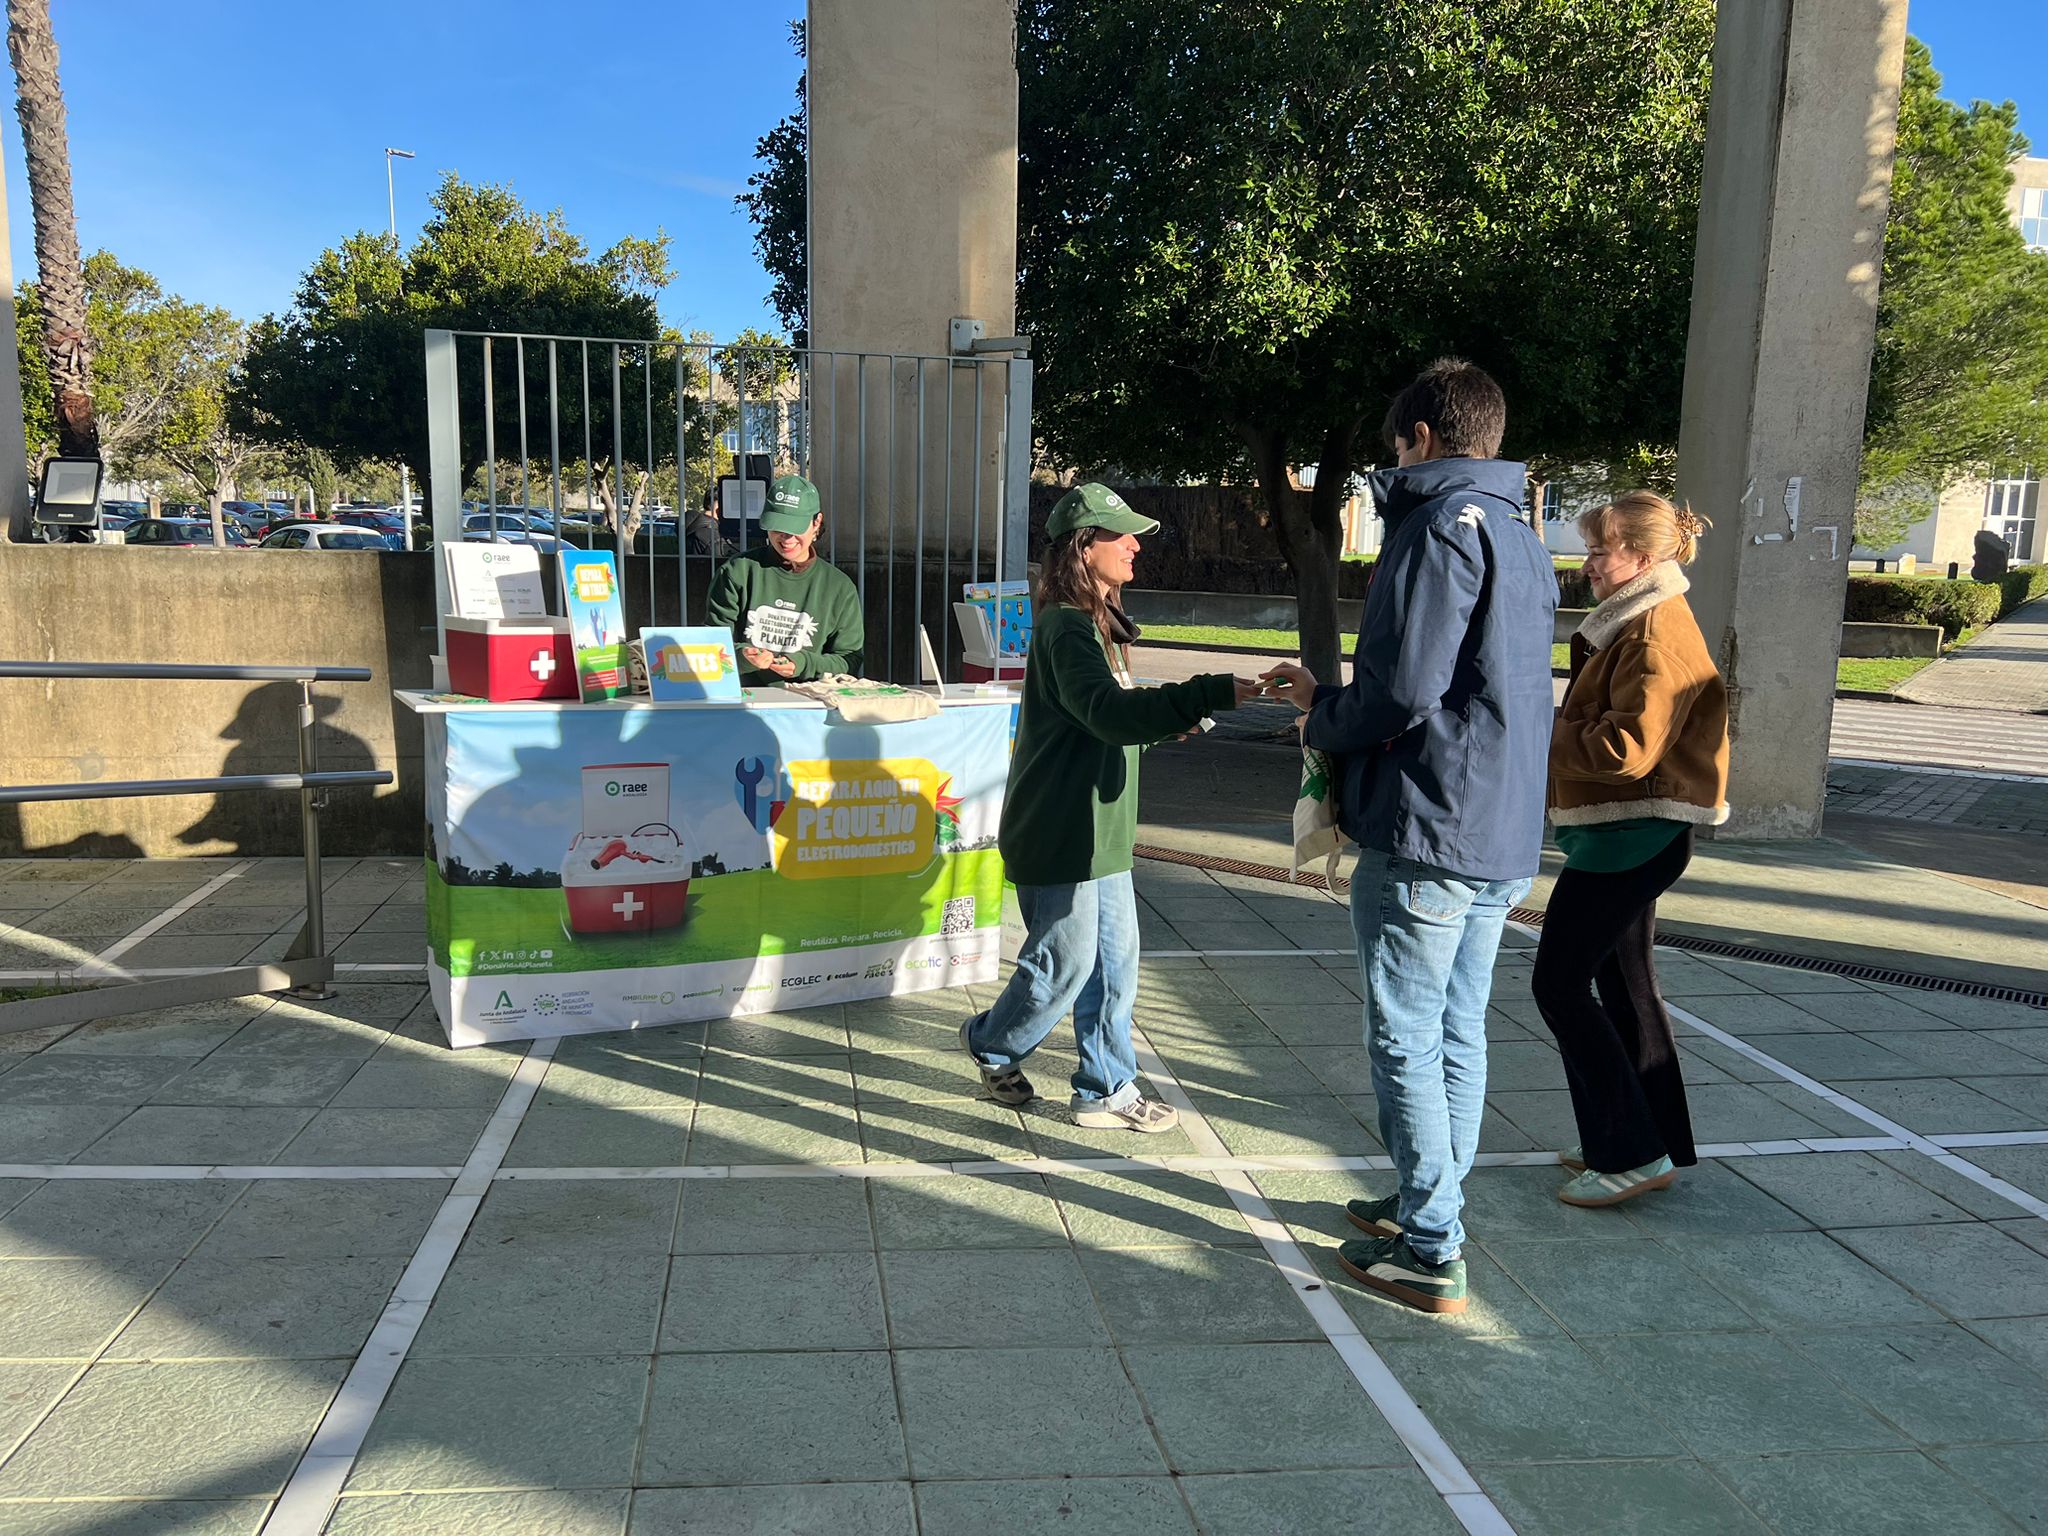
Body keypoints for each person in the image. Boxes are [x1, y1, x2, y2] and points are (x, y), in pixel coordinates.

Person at [1262, 358, 1556, 1315]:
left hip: (1431, 823)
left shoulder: (1438, 527)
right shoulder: (1519, 529)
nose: (1392, 461)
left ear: (1421, 440)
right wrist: (1336, 699)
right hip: (1498, 830)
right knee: (1457, 1028)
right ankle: (1429, 1201)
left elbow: (1407, 691)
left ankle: (1433, 1244)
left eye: (1394, 447)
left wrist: (1324, 722)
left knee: (1406, 1034)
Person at [961, 482, 1260, 1132]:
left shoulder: (1097, 628)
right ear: (1082, 546)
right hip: (1063, 832)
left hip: (1102, 835)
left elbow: (1109, 723)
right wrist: (1205, 692)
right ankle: (992, 1043)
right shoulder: (1067, 628)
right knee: (1064, 967)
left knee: (1115, 967)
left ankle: (1104, 1089)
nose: (1135, 545)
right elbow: (1105, 712)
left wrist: (1172, 721)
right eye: (1119, 534)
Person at [1535, 491, 1729, 1207]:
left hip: (1629, 836)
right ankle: (1650, 1141)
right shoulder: (1640, 619)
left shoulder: (1650, 632)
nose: (1586, 564)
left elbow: (1626, 748)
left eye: (1599, 551)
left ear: (1644, 560)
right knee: (1626, 987)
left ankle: (1631, 1151)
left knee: (1558, 986)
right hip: (1635, 833)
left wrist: (1537, 732)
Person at [704, 473, 864, 685]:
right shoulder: (737, 571)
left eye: (795, 528)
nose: (786, 538)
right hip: (742, 699)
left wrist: (804, 664)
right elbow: (711, 643)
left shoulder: (839, 587)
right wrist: (744, 656)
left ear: (817, 522)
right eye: (778, 526)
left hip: (810, 704)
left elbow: (849, 658)